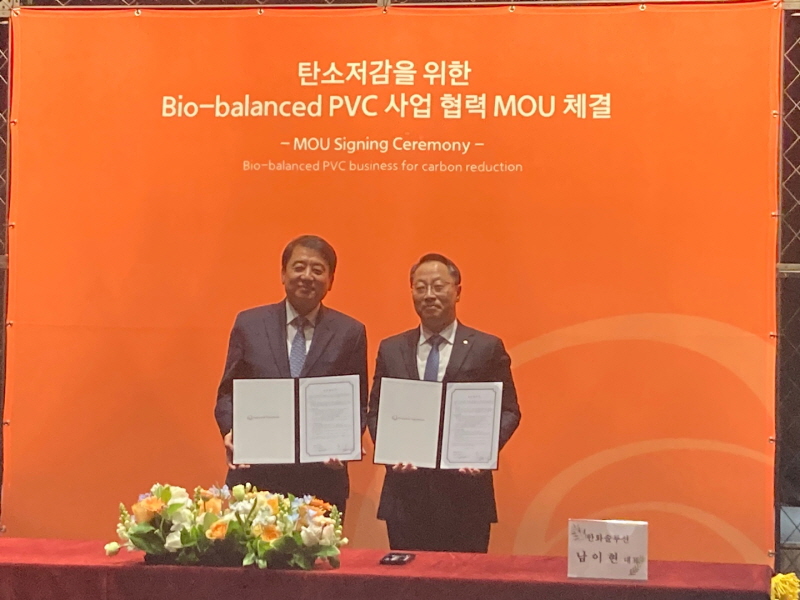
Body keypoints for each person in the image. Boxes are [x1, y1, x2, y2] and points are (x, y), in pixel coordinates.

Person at [367, 253, 521, 553]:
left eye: (438, 286)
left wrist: (483, 452)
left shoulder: (486, 347)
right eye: (420, 287)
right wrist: (390, 451)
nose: (429, 295)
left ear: (457, 291)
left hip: (466, 495)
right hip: (405, 496)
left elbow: (509, 410)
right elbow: (375, 411)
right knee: (408, 578)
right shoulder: (392, 348)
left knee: (464, 578)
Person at [214, 235, 367, 515]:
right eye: (299, 267)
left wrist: (346, 444)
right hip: (256, 477)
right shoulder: (250, 324)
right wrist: (230, 430)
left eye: (317, 270)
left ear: (331, 281)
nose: (307, 276)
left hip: (321, 481)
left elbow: (357, 403)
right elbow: (227, 393)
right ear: (283, 274)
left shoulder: (350, 333)